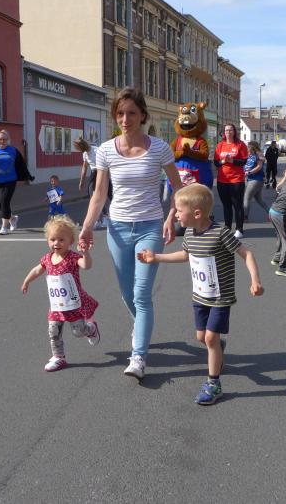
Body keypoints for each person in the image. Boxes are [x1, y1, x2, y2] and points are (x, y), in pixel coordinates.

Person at [78, 87, 183, 380]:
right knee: (127, 293)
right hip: (118, 228)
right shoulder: (106, 150)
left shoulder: (159, 148)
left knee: (141, 293)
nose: (126, 119)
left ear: (143, 115)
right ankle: (143, 328)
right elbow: (99, 194)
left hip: (150, 226)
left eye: (132, 113)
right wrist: (87, 226)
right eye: (120, 113)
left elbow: (178, 187)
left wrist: (171, 217)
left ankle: (138, 356)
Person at [136, 184, 263, 405]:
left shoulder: (221, 233)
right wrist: (156, 257)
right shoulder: (190, 233)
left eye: (179, 210)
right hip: (200, 296)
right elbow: (185, 255)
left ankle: (213, 383)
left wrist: (255, 280)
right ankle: (217, 348)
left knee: (210, 338)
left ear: (196, 213)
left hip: (220, 297)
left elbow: (247, 253)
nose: (175, 215)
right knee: (201, 338)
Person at [21, 215, 101, 372]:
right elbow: (37, 270)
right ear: (47, 240)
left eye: (61, 240)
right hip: (56, 305)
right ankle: (59, 357)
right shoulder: (47, 259)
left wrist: (85, 253)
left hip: (73, 304)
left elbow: (86, 266)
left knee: (78, 332)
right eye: (52, 239)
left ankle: (91, 329)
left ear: (71, 241)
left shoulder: (73, 257)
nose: (56, 243)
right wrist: (27, 281)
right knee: (53, 331)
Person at [0, 129, 34, 235]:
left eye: (4, 139)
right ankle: (12, 218)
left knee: (5, 202)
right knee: (0, 203)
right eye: (0, 139)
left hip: (10, 180)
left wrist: (27, 176)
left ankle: (4, 227)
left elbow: (21, 164)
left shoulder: (13, 151)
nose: (2, 141)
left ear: (8, 140)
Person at [214, 123, 248, 238]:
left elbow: (244, 161)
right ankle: (227, 228)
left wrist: (232, 161)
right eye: (226, 130)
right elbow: (216, 162)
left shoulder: (240, 144)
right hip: (222, 180)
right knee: (226, 205)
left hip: (236, 180)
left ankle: (239, 229)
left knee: (237, 205)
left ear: (234, 132)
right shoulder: (220, 145)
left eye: (230, 130)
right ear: (223, 132)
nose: (228, 132)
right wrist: (223, 161)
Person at [75, 136, 110, 229]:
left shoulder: (96, 150)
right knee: (92, 196)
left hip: (101, 172)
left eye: (79, 148)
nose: (79, 150)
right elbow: (84, 167)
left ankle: (105, 217)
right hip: (93, 174)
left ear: (82, 146)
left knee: (100, 196)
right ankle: (98, 219)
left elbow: (106, 163)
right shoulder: (85, 154)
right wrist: (81, 181)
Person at [242, 141, 269, 221]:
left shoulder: (258, 154)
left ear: (253, 147)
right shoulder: (251, 154)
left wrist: (249, 172)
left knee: (246, 197)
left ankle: (244, 217)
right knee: (259, 199)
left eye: (249, 146)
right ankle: (272, 213)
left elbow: (259, 166)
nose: (248, 147)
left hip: (256, 179)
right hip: (253, 179)